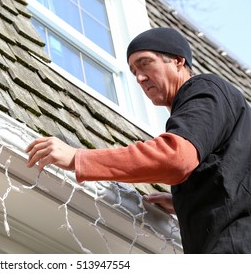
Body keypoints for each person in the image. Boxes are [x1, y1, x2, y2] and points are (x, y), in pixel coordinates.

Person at [25, 27, 251, 253]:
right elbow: (233, 178)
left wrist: (78, 157)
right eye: (133, 72)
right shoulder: (217, 113)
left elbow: (175, 158)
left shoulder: (204, 88)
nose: (140, 78)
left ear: (178, 61)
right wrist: (184, 201)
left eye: (145, 63)